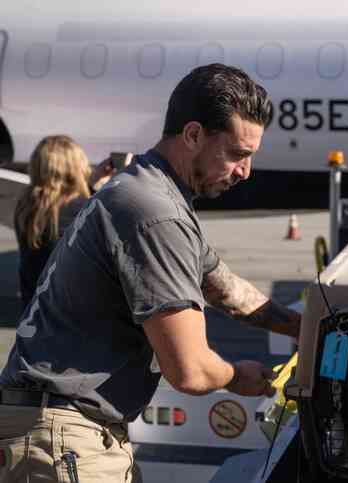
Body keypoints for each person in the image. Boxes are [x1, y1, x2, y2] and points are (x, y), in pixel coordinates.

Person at [0, 64, 301, 482]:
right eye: (237, 154)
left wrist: (301, 327)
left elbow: (223, 286)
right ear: (193, 135)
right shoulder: (155, 214)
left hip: (60, 431)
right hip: (65, 436)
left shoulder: (144, 189)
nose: (245, 171)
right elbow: (190, 370)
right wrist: (237, 378)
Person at [13, 135, 122, 310]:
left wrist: (92, 186)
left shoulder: (28, 204)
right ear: (76, 167)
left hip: (35, 314)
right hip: (72, 318)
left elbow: (63, 211)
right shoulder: (83, 207)